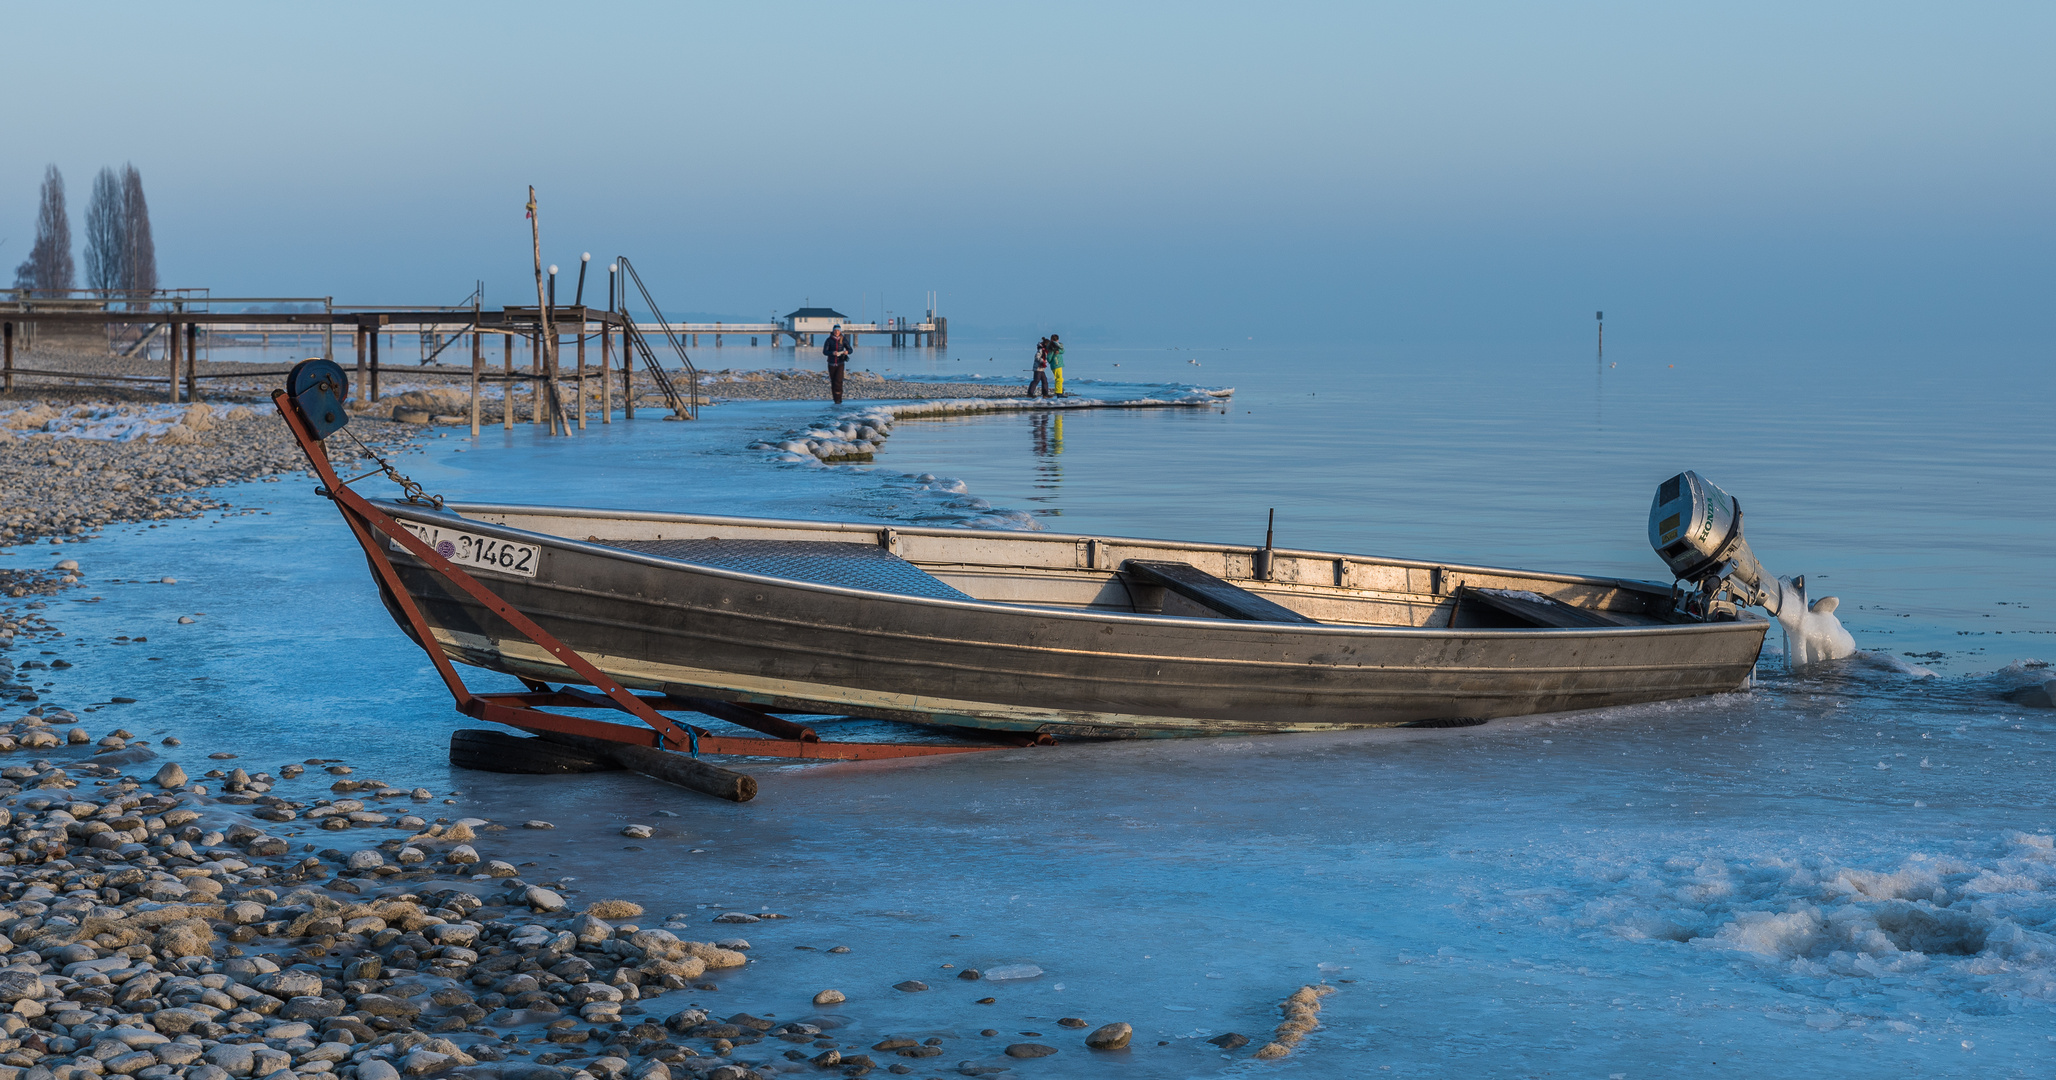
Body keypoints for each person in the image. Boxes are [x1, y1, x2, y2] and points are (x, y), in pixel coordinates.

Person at [822, 324, 852, 404]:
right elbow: (825, 352)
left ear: (840, 331)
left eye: (838, 331)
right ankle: (835, 399)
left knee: (838, 381)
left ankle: (839, 399)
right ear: (833, 331)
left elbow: (850, 349)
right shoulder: (829, 340)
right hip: (831, 363)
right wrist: (832, 353)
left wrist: (847, 352)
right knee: (833, 381)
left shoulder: (843, 339)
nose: (836, 332)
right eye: (835, 331)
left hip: (840, 363)